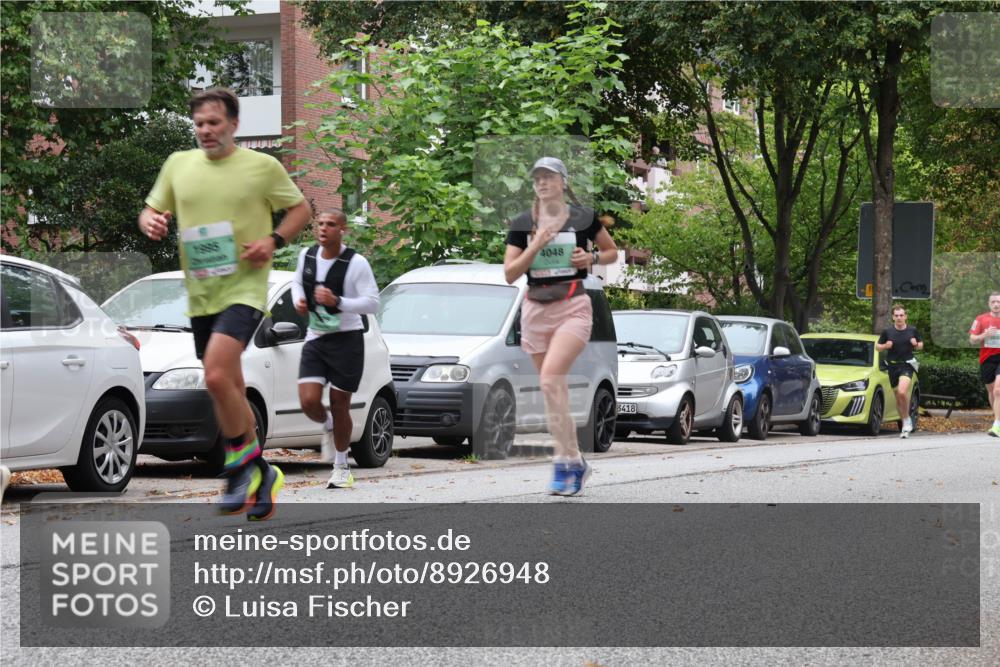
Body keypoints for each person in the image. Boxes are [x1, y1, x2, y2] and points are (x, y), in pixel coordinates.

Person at [139, 88, 311, 519]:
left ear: (234, 124)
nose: (205, 131)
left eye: (214, 123)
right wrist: (152, 221)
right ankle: (261, 472)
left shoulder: (261, 167)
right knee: (228, 386)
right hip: (201, 294)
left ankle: (239, 469)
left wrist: (273, 240)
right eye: (199, 124)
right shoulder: (179, 165)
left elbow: (301, 210)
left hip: (246, 289)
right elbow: (149, 211)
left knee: (215, 375)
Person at [503, 157, 617, 495]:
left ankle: (561, 459)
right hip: (535, 309)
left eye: (549, 177)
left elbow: (612, 251)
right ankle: (574, 460)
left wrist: (591, 259)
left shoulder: (583, 218)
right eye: (537, 178)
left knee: (552, 380)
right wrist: (535, 244)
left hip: (573, 307)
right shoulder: (523, 222)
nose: (542, 183)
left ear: (563, 182)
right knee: (554, 392)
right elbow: (510, 273)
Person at [292, 209, 379, 488]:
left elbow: (372, 303)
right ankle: (328, 424)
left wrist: (337, 300)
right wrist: (299, 300)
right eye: (320, 223)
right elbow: (296, 283)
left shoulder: (356, 263)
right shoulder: (306, 256)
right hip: (316, 337)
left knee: (341, 404)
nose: (323, 228)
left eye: (331, 224)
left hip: (347, 340)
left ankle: (341, 467)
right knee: (308, 401)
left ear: (343, 229)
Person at [875, 304, 924, 438]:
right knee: (898, 397)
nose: (899, 318)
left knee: (902, 391)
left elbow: (921, 346)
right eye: (896, 315)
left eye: (901, 315)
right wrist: (885, 345)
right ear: (893, 317)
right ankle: (905, 422)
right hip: (892, 366)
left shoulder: (912, 330)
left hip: (907, 365)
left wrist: (916, 344)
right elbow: (877, 347)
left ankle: (907, 419)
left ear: (905, 316)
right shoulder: (887, 331)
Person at [969, 291, 1000, 437]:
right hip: (987, 358)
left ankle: (997, 425)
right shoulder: (980, 319)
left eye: (998, 302)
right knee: (991, 390)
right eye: (993, 302)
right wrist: (984, 335)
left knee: (998, 390)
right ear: (989, 304)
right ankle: (998, 419)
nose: (996, 304)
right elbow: (972, 339)